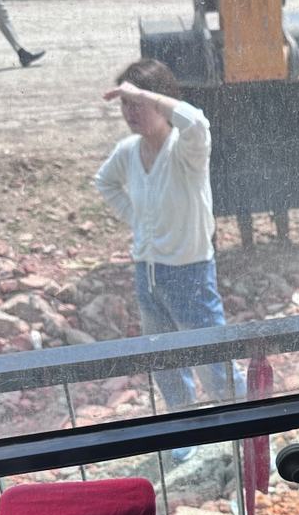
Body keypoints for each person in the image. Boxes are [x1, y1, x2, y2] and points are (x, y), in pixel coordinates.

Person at [95, 59, 244, 457]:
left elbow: (197, 122)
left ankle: (248, 429)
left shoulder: (184, 149)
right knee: (164, 360)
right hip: (147, 273)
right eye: (125, 105)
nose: (130, 113)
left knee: (211, 359)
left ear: (160, 103)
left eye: (137, 104)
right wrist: (138, 221)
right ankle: (185, 433)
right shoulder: (128, 151)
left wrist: (147, 95)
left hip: (190, 272)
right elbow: (105, 183)